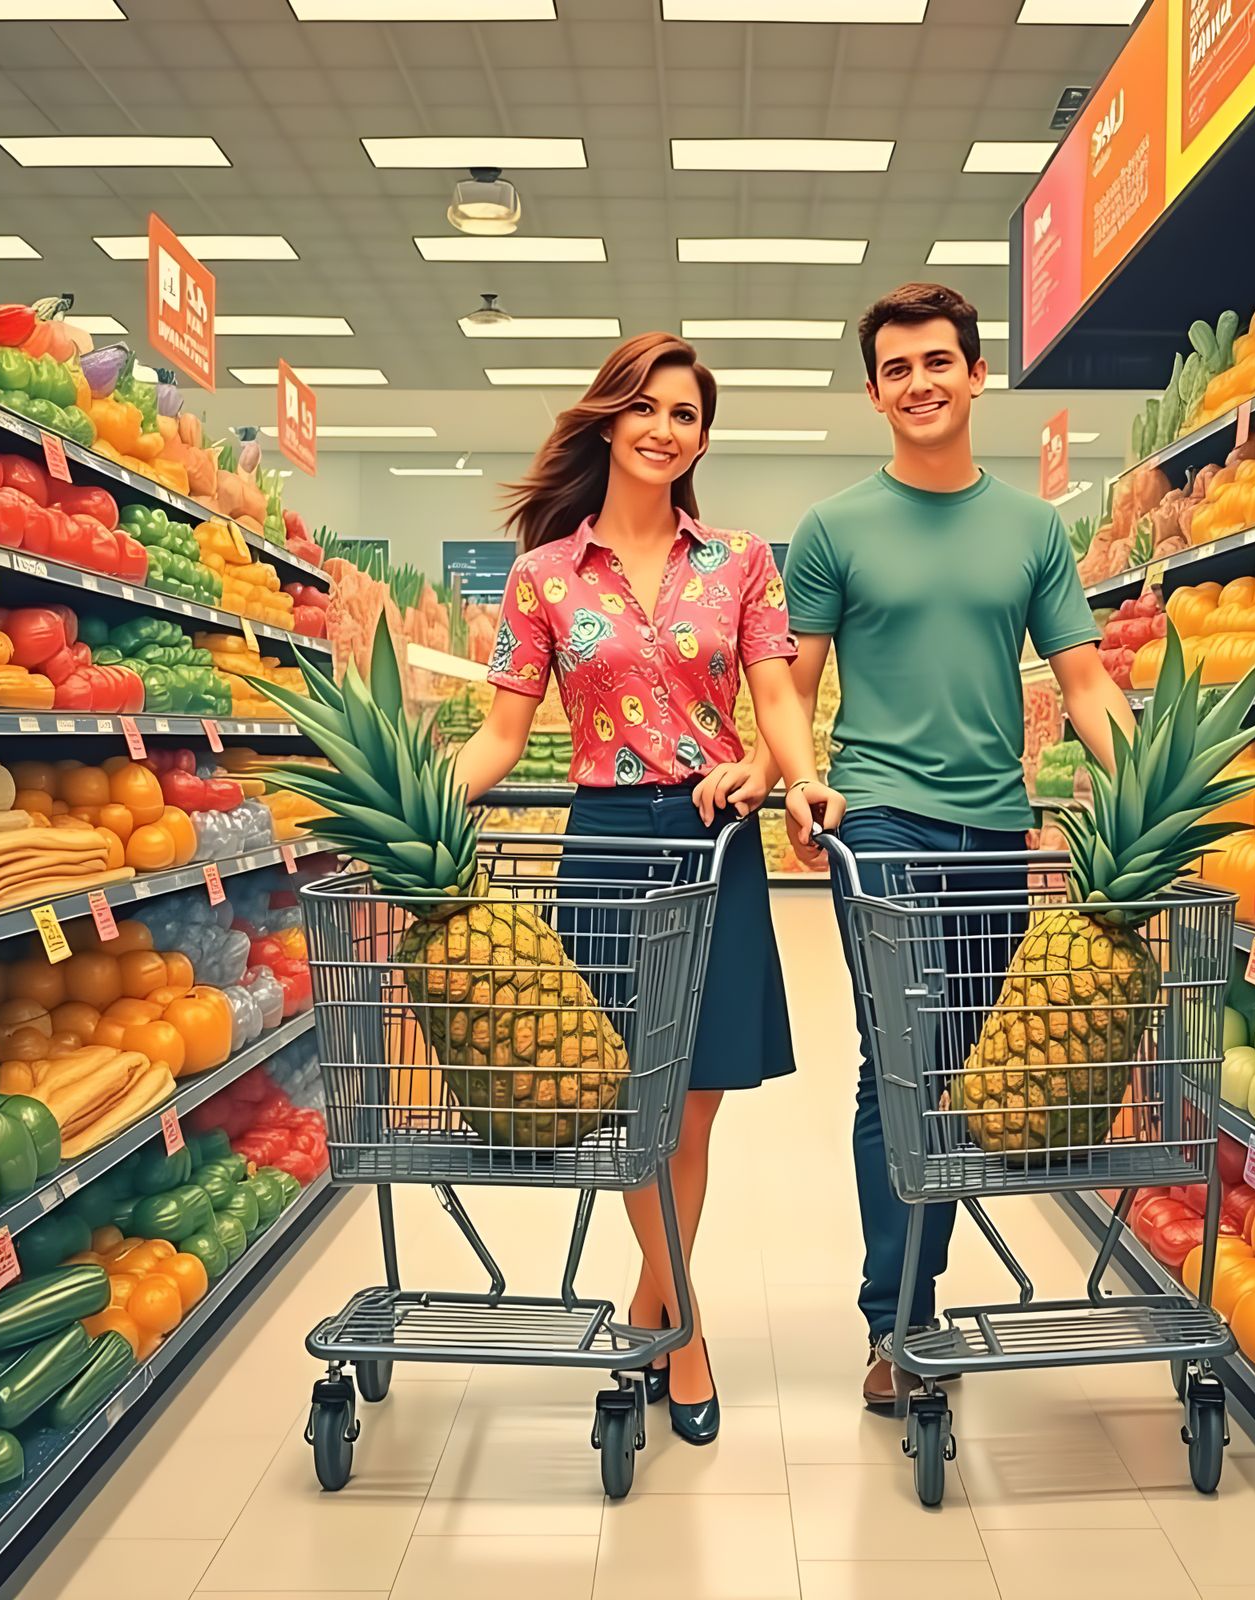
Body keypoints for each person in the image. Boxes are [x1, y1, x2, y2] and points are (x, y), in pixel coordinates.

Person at [452, 332, 844, 1446]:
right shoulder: (541, 576)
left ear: (700, 439)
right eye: (648, 407)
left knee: (696, 1103)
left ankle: (649, 1296)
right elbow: (500, 732)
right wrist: (423, 796)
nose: (666, 429)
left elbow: (776, 699)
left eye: (686, 415)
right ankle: (686, 1328)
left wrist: (797, 777)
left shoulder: (740, 561)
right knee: (634, 1102)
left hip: (717, 839)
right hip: (609, 845)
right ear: (608, 419)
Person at [767, 282, 1135, 1409]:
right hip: (876, 821)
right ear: (872, 391)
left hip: (994, 828)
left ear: (977, 376)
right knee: (902, 1063)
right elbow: (793, 678)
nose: (919, 382)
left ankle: (919, 1293)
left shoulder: (1031, 529)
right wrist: (799, 779)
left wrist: (1149, 794)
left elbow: (1082, 683)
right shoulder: (833, 528)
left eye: (938, 361)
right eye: (896, 368)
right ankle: (898, 1322)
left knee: (970, 1069)